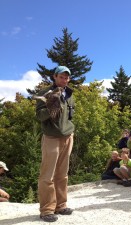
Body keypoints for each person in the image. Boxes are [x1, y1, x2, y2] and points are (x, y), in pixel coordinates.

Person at [36, 66, 75, 222]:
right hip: (51, 138)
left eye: (66, 78)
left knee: (62, 174)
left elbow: (70, 116)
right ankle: (46, 210)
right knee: (47, 175)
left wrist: (70, 131)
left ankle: (61, 205)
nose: (64, 80)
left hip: (67, 137)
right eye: (61, 77)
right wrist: (51, 106)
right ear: (54, 77)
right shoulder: (44, 94)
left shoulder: (70, 94)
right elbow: (40, 116)